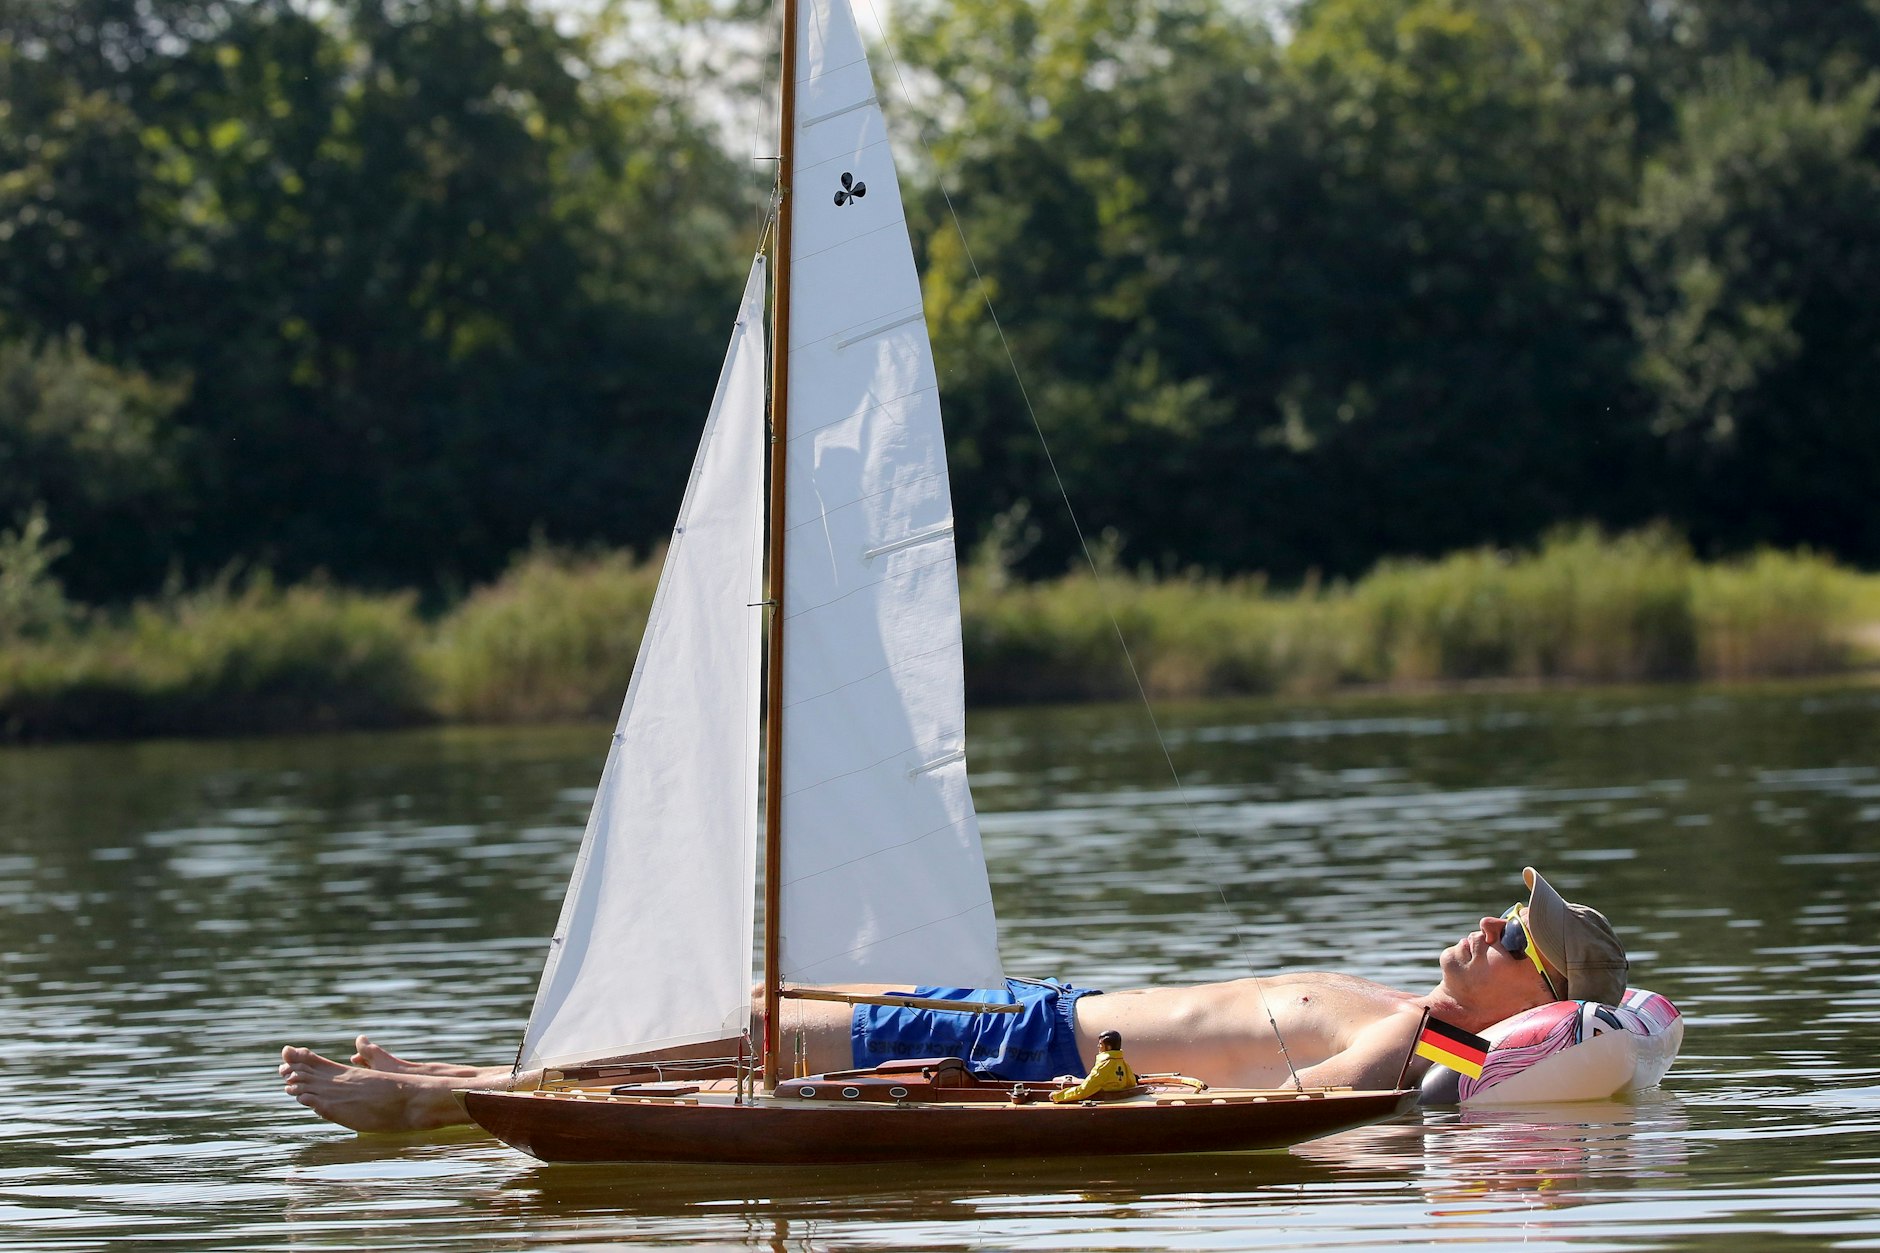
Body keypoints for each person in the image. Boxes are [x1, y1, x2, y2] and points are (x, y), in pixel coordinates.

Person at [279, 865, 1627, 1133]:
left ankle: (434, 1095)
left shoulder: (1419, 1035)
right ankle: (475, 1073)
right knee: (755, 998)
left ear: (1533, 988)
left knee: (758, 1028)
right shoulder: (1408, 1002)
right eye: (1503, 906)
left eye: (1512, 930)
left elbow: (1311, 1112)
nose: (1486, 921)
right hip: (1025, 1005)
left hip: (1032, 1043)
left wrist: (1453, 1042)